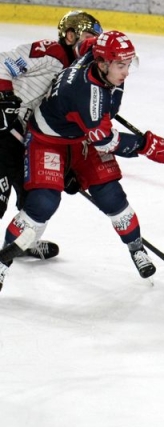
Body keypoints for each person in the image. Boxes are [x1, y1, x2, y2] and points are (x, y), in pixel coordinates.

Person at [0, 30, 164, 292]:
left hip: (82, 136)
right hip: (48, 140)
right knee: (42, 204)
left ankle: (137, 251)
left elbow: (85, 43)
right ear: (103, 63)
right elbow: (106, 140)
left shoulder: (95, 54)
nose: (126, 72)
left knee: (111, 196)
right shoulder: (87, 95)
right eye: (120, 65)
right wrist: (146, 145)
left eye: (129, 64)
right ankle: (2, 266)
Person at [0, 10, 103, 261]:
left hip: (27, 138)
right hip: (4, 130)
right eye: (88, 37)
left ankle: (19, 244)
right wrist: (3, 98)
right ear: (70, 36)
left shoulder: (80, 75)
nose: (93, 45)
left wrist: (69, 169)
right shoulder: (50, 53)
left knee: (35, 197)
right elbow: (2, 62)